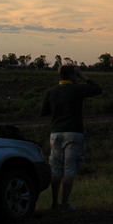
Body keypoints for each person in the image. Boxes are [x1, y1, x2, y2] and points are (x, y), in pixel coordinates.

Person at [41, 63, 102, 211]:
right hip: (73, 133)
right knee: (69, 170)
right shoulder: (76, 89)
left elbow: (44, 111)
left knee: (55, 170)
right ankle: (65, 203)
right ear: (72, 75)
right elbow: (97, 89)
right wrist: (84, 77)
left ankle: (54, 203)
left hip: (55, 133)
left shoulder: (52, 92)